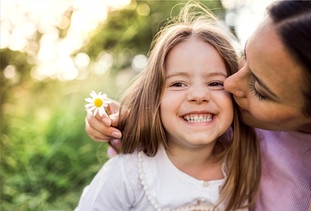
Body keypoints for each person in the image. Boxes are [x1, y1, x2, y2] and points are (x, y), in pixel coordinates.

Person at [85, 1, 311, 210]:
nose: (229, 84)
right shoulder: (230, 119)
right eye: (244, 56)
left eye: (259, 89)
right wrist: (122, 121)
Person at [77, 3, 260, 211]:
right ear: (154, 98)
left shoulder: (242, 167)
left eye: (215, 83)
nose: (198, 96)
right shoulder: (127, 174)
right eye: (178, 84)